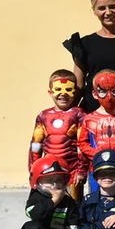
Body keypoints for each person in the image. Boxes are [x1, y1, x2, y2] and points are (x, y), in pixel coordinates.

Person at [29, 70, 86, 202]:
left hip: (71, 171)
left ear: (75, 92)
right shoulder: (43, 116)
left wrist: (81, 170)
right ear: (50, 92)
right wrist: (33, 169)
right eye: (58, 89)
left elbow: (82, 144)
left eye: (68, 89)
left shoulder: (79, 115)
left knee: (73, 205)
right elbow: (36, 145)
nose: (63, 94)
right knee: (48, 202)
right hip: (48, 172)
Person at [77, 70, 115, 194]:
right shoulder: (88, 119)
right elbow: (82, 144)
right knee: (97, 201)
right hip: (96, 169)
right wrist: (97, 156)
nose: (109, 97)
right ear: (94, 94)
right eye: (102, 92)